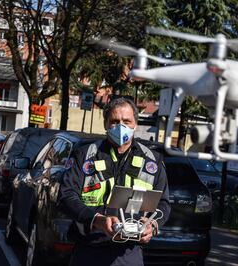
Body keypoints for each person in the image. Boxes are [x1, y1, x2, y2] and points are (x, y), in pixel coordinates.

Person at [58, 97, 171, 266]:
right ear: (105, 124)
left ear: (135, 124)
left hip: (129, 254)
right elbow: (65, 196)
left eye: (126, 121)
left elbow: (163, 204)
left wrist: (153, 225)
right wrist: (97, 220)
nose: (121, 126)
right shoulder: (84, 155)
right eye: (114, 121)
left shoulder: (152, 161)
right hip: (89, 250)